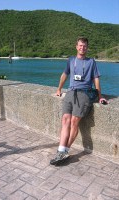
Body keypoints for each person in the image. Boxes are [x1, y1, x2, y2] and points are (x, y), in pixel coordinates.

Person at [50, 37, 108, 165]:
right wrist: (59, 89)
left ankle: (65, 151)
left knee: (74, 122)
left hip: (84, 93)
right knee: (65, 120)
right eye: (80, 46)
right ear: (76, 47)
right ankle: (60, 150)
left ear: (87, 48)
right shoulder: (71, 60)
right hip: (71, 92)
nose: (82, 48)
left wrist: (100, 96)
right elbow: (65, 74)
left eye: (85, 46)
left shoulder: (91, 62)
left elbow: (96, 79)